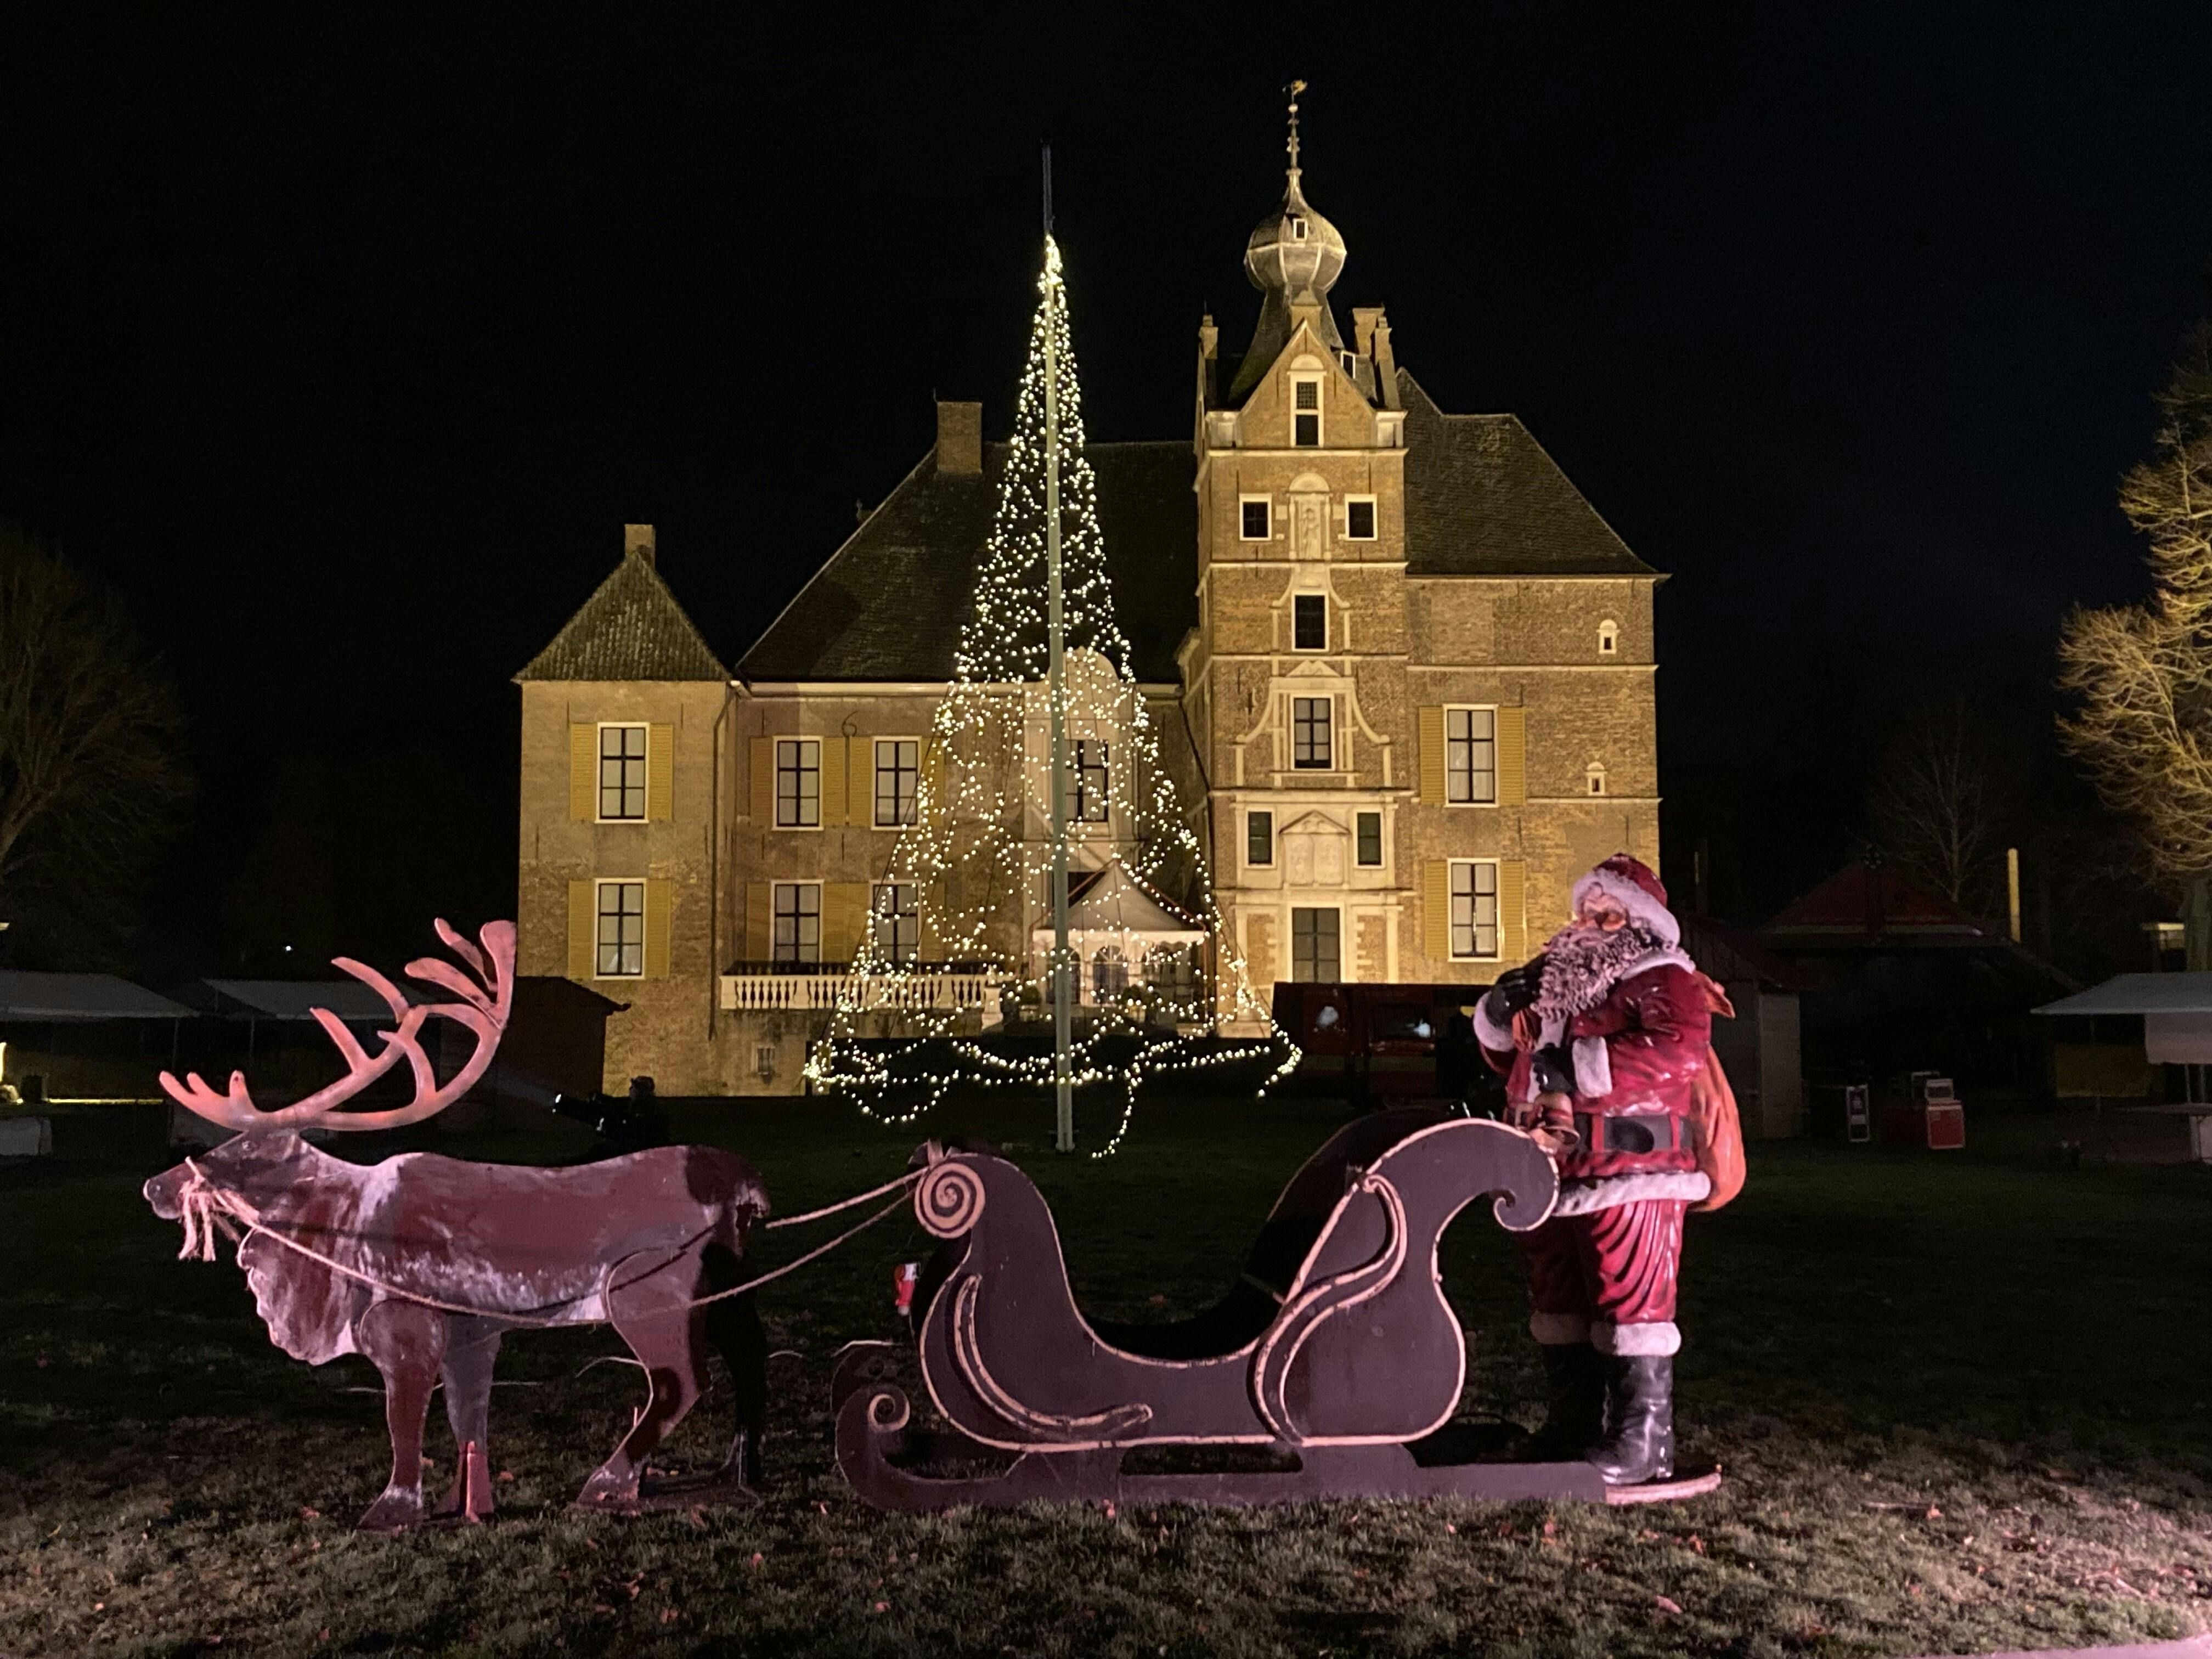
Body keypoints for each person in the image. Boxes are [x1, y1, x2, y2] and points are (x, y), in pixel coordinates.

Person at [1474, 854, 1714, 1487]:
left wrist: (1572, 1070)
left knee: (1630, 1298)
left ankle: (1643, 1438)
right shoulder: (1556, 978)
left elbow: (1674, 1056)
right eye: (1586, 910)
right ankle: (1574, 1421)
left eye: (1607, 911)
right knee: (1559, 1296)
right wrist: (1500, 1012)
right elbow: (1512, 1057)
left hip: (1628, 1166)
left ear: (1638, 921)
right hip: (1550, 1166)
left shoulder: (1664, 978)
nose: (1590, 921)